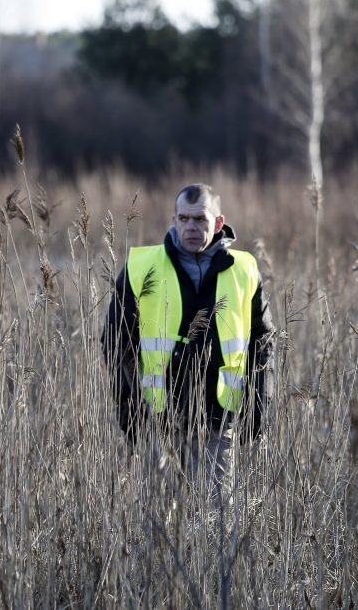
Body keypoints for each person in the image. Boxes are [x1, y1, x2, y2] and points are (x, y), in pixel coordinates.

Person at [102, 183, 274, 505]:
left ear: (218, 223)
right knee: (157, 525)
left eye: (200, 219)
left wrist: (258, 407)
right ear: (174, 219)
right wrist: (128, 407)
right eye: (185, 219)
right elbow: (114, 342)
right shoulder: (142, 267)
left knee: (212, 522)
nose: (191, 227)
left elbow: (262, 343)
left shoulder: (244, 270)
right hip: (157, 419)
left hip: (217, 418)